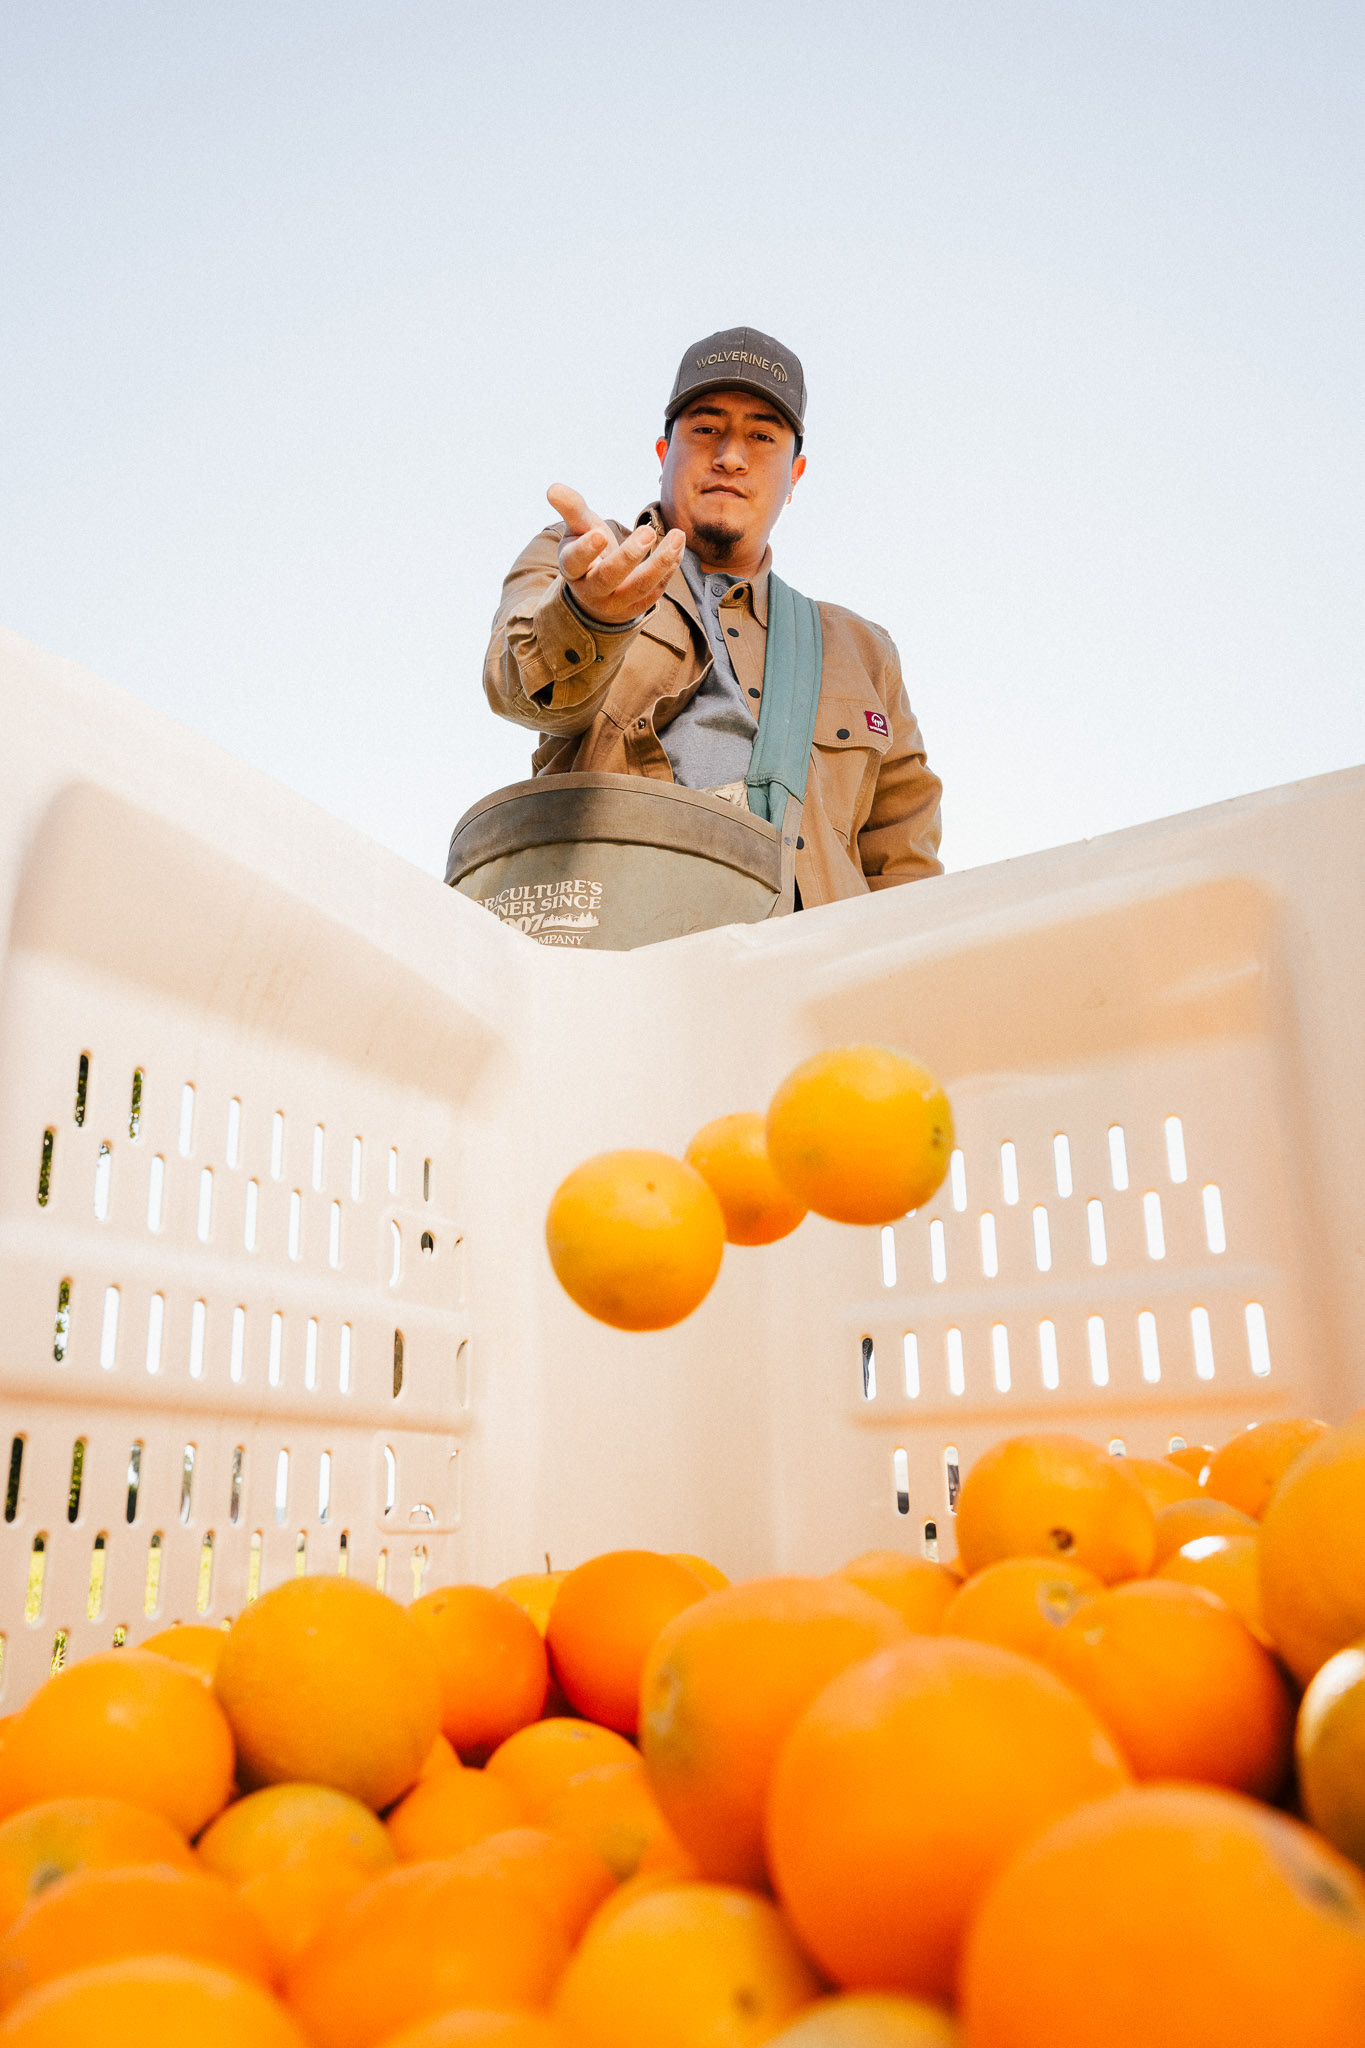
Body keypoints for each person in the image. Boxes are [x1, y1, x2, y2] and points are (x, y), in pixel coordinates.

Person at [483, 326, 942, 907]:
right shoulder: (579, 555)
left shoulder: (864, 652)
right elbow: (514, 687)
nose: (730, 456)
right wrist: (590, 616)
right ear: (662, 454)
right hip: (618, 937)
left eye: (761, 436)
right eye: (705, 429)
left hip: (803, 971)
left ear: (795, 476)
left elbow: (905, 870)